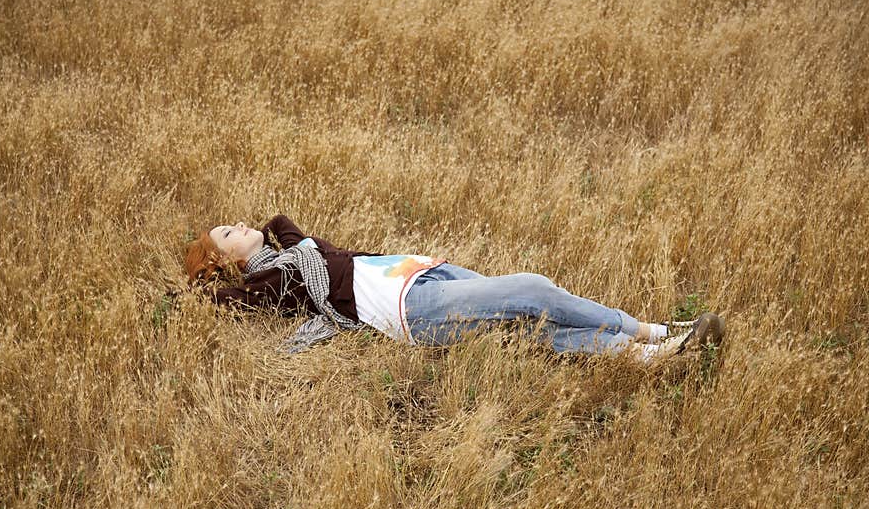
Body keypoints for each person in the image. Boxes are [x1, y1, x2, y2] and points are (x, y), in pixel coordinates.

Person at [182, 214, 725, 363]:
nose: (239, 224)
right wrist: (199, 283)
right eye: (227, 233)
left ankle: (658, 357)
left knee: (532, 333)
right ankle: (658, 333)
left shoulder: (284, 250)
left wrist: (265, 240)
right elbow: (217, 296)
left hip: (419, 272)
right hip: (408, 308)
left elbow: (281, 221)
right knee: (533, 291)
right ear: (224, 260)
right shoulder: (266, 282)